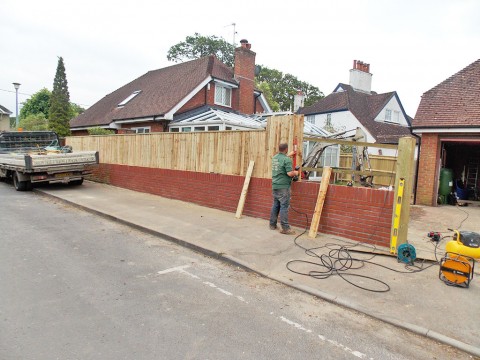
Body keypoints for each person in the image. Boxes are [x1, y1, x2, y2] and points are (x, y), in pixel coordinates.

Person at [269, 143, 299, 235]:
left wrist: (289, 155)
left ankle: (272, 224)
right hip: (284, 187)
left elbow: (281, 160)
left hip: (275, 185)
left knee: (276, 205)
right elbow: (290, 173)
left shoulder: (275, 158)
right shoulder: (287, 160)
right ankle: (285, 228)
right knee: (284, 207)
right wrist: (296, 172)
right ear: (286, 149)